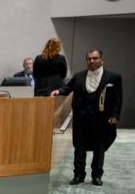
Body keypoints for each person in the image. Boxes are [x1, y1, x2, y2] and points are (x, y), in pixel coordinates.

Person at [51, 49, 123, 186]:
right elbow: (67, 88)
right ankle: (78, 175)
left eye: (95, 58)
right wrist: (58, 91)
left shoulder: (113, 77)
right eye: (89, 59)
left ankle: (96, 175)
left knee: (99, 148)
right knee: (79, 147)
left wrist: (115, 115)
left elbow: (117, 99)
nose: (91, 61)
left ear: (102, 60)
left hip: (101, 119)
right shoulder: (78, 76)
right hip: (81, 118)